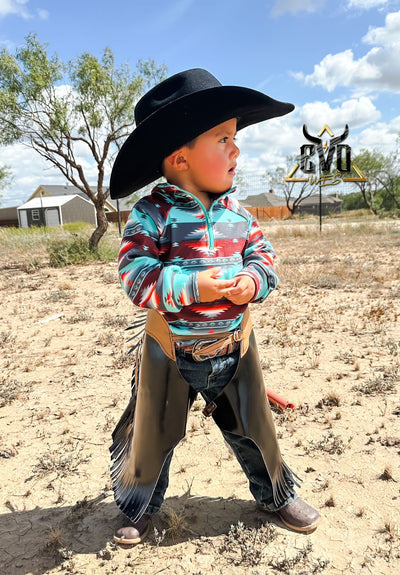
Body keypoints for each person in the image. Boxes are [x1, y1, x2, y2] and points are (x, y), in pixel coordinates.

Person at [109, 68, 320, 545]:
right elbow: (135, 276)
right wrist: (193, 285)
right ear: (180, 157)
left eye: (235, 137)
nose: (236, 148)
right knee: (153, 435)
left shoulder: (240, 215)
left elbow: (265, 262)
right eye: (223, 137)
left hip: (233, 347)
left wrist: (252, 279)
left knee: (254, 429)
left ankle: (275, 493)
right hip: (170, 352)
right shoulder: (152, 214)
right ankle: (139, 505)